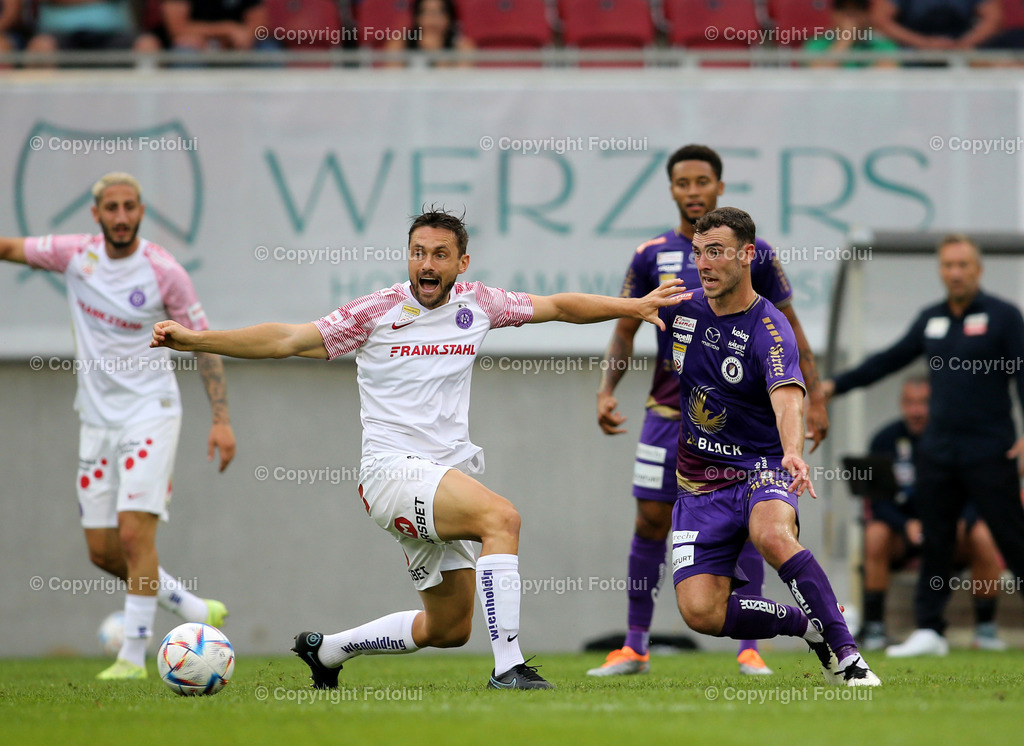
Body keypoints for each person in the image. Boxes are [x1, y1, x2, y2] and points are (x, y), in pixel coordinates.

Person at [150, 208, 686, 690]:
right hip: (391, 474)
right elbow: (284, 341)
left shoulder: (481, 303)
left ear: (461, 262)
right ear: (408, 257)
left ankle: (327, 651)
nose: (426, 264)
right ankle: (509, 668)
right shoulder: (377, 311)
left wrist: (633, 305)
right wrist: (195, 340)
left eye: (439, 255)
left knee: (447, 627)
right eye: (417, 253)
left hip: (439, 477)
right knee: (502, 519)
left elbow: (560, 307)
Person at [589, 144, 828, 678]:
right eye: (683, 182)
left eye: (702, 181)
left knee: (749, 520)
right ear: (672, 189)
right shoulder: (651, 254)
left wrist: (816, 396)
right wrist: (608, 390)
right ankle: (634, 646)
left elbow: (788, 328)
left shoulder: (753, 251)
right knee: (651, 520)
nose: (693, 191)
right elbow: (626, 326)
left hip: (742, 423)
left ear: (719, 187)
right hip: (667, 414)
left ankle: (749, 647)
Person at [0, 172, 236, 680]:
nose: (122, 216)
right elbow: (11, 247)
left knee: (134, 537)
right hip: (95, 420)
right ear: (96, 214)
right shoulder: (74, 255)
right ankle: (195, 610)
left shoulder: (164, 272)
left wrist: (220, 419)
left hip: (150, 413)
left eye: (131, 206)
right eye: (112, 207)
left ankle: (132, 657)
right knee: (103, 551)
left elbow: (205, 341)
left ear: (142, 212)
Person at [665, 206, 880, 686]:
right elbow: (604, 312)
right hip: (698, 483)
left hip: (763, 467)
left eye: (716, 252)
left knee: (773, 536)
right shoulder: (679, 307)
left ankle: (848, 658)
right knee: (702, 613)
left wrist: (792, 454)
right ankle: (810, 628)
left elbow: (787, 399)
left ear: (746, 255)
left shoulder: (770, 327)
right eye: (698, 253)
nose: (703, 263)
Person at [824, 233, 1024, 657]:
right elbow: (889, 359)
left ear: (977, 269)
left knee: (1011, 537)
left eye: (962, 265)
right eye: (948, 266)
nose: (955, 273)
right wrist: (834, 385)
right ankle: (930, 630)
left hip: (990, 450)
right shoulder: (931, 319)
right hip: (938, 451)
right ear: (940, 270)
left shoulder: (1005, 317)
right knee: (936, 540)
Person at [859, 375, 1006, 651]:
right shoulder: (885, 439)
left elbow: (978, 493)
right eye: (909, 403)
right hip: (904, 535)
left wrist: (961, 521)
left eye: (923, 403)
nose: (916, 410)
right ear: (901, 405)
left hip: (952, 532)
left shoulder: (957, 438)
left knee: (984, 535)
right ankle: (875, 628)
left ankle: (985, 631)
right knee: (875, 533)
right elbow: (877, 501)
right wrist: (905, 524)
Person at [26, 0, 160, 55]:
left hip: (115, 34)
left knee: (147, 45)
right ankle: (47, 112)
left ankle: (144, 112)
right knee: (41, 47)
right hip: (59, 34)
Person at [870, 0, 1002, 51]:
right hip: (913, 57)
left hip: (960, 57)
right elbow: (880, 19)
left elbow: (994, 19)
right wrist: (924, 44)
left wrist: (960, 45)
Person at [804, 0, 900, 67]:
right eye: (842, 8)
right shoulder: (816, 44)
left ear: (868, 14)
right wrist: (845, 39)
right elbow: (819, 76)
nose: (850, 14)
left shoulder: (883, 45)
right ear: (832, 14)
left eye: (858, 8)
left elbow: (885, 78)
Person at [384, 0, 474, 67]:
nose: (432, 18)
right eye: (426, 12)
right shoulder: (399, 44)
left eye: (440, 12)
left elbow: (462, 83)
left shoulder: (462, 46)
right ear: (417, 16)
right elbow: (391, 80)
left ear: (450, 17)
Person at [162, 0, 272, 51]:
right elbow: (177, 28)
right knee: (184, 51)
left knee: (269, 50)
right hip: (196, 44)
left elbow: (259, 24)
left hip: (237, 46)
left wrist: (245, 36)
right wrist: (227, 29)